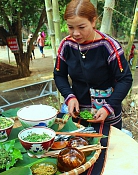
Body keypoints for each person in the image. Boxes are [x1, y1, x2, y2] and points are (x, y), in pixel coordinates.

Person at [54, 0, 133, 129]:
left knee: (105, 147)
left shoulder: (108, 46)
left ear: (93, 21)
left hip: (106, 114)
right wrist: (69, 97)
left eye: (81, 27)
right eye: (70, 27)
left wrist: (109, 107)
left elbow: (125, 79)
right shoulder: (66, 45)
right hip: (77, 114)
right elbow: (59, 75)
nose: (75, 33)